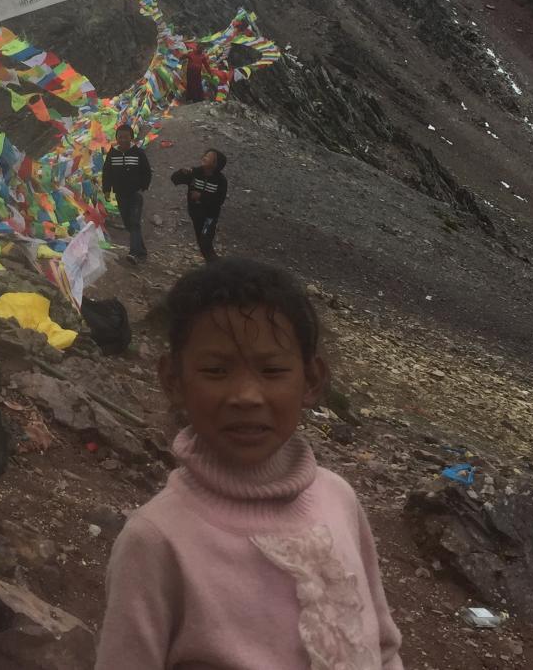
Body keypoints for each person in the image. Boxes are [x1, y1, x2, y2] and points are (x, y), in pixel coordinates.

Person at [96, 258, 404, 669]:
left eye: (272, 370)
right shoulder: (156, 540)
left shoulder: (339, 499)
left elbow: (383, 647)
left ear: (311, 381)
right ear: (173, 380)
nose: (246, 395)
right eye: (216, 370)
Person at [101, 123, 152, 263]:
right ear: (116, 138)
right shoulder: (112, 154)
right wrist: (106, 189)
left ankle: (134, 253)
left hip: (135, 194)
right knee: (128, 223)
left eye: (126, 137)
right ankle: (141, 250)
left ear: (132, 137)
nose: (123, 139)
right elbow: (107, 173)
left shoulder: (138, 153)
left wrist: (144, 186)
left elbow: (146, 171)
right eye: (120, 137)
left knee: (134, 222)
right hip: (120, 195)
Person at [171, 148, 227, 260]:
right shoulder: (195, 173)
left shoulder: (220, 180)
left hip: (209, 217)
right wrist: (181, 172)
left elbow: (219, 200)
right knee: (202, 242)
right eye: (205, 155)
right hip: (196, 214)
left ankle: (215, 265)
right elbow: (175, 180)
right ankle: (213, 265)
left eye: (210, 157)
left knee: (205, 241)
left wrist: (201, 196)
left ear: (216, 164)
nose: (205, 157)